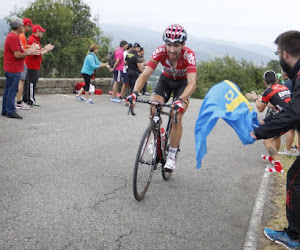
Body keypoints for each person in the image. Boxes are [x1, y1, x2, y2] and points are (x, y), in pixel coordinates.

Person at [252, 30, 300, 249]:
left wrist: (259, 131)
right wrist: (267, 125)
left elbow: (293, 113)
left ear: (286, 54)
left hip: (286, 120)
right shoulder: (292, 80)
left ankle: (294, 236)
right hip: (286, 121)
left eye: (278, 52)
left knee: (294, 179)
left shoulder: (296, 77)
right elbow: (291, 108)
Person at [127, 24, 197, 171]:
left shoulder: (188, 55)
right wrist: (134, 93)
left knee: (176, 113)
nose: (172, 49)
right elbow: (144, 74)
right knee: (154, 106)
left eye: (176, 45)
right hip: (165, 81)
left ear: (183, 44)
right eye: (169, 45)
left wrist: (181, 99)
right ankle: (159, 133)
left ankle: (171, 155)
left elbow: (192, 84)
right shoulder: (160, 51)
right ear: (165, 43)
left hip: (182, 85)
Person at [246, 70, 291, 173]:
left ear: (264, 82)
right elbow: (275, 105)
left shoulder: (269, 91)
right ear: (276, 79)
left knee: (266, 140)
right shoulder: (283, 87)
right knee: (262, 123)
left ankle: (278, 167)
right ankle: (273, 157)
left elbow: (260, 108)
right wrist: (260, 98)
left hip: (286, 117)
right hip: (288, 114)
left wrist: (255, 99)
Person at [1, 17, 40, 119]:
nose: (23, 27)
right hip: (13, 68)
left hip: (10, 67)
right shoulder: (13, 37)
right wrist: (29, 52)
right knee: (12, 90)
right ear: (18, 26)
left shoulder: (13, 36)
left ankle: (5, 109)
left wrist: (29, 51)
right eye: (22, 25)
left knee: (8, 89)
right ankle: (10, 111)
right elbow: (17, 55)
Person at [25, 24, 55, 107]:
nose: (42, 33)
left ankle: (28, 99)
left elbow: (39, 50)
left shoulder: (36, 39)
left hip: (35, 65)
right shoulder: (33, 40)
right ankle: (31, 100)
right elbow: (38, 53)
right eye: (41, 32)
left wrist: (45, 48)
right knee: (32, 83)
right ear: (37, 32)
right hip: (32, 65)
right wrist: (47, 50)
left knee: (32, 82)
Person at [16, 18, 34, 110]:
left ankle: (19, 101)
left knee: (22, 81)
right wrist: (31, 50)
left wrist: (31, 47)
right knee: (21, 81)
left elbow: (24, 46)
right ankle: (19, 101)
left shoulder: (21, 36)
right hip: (22, 61)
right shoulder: (22, 36)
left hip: (22, 61)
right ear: (26, 26)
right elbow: (22, 50)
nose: (30, 28)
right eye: (30, 26)